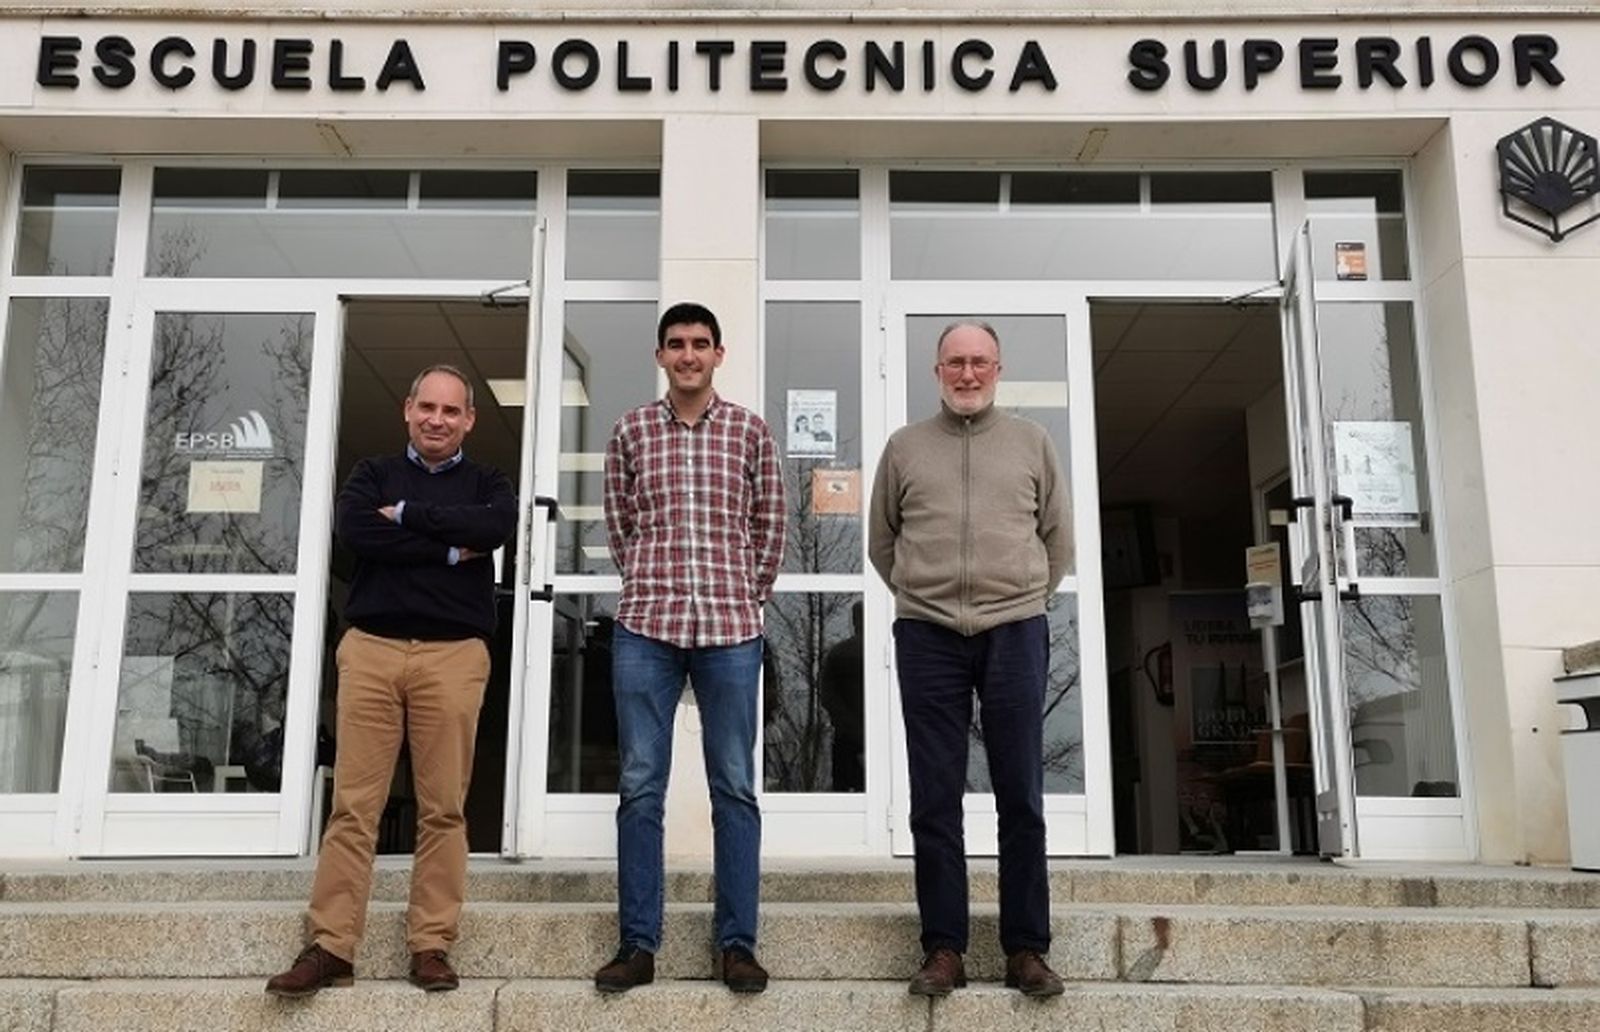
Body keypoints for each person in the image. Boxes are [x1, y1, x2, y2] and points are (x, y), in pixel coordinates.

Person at [266, 365, 517, 998]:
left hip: (454, 656)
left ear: (469, 420)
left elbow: (492, 529)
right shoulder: (370, 474)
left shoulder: (488, 483)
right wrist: (447, 548)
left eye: (451, 411)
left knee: (444, 808)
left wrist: (405, 516)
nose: (437, 419)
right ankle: (332, 946)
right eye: (427, 407)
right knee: (354, 806)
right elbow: (358, 530)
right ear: (408, 409)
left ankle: (431, 945)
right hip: (372, 650)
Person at [867, 320, 1072, 998]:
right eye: (955, 362)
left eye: (980, 361)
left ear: (998, 369)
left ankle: (1027, 949)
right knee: (934, 797)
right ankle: (944, 948)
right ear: (937, 371)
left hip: (1015, 629)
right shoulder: (904, 448)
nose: (967, 373)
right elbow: (882, 543)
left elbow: (1058, 538)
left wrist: (1022, 596)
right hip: (927, 634)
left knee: (1021, 795)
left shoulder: (1032, 443)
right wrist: (923, 594)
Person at [593, 302, 786, 995]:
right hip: (647, 626)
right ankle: (637, 944)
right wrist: (650, 580)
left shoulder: (749, 431)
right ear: (660, 356)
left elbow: (770, 523)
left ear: (718, 354)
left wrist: (746, 592)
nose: (688, 355)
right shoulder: (631, 431)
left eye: (700, 343)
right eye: (675, 344)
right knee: (640, 786)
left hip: (730, 630)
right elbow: (619, 523)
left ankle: (737, 945)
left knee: (733, 787)